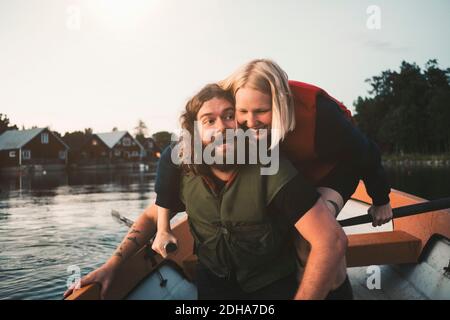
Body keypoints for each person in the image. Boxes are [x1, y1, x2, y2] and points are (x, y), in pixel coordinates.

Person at [64, 84, 348, 300]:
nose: (222, 127)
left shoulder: (270, 167)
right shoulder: (183, 172)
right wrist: (113, 264)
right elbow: (151, 217)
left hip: (271, 286)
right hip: (214, 285)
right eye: (209, 121)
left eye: (228, 116)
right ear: (195, 131)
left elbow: (330, 240)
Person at [152, 59, 392, 298]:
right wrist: (162, 227)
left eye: (261, 111)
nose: (250, 121)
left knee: (311, 239)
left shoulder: (322, 117)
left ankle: (335, 288)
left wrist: (380, 199)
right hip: (291, 169)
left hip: (333, 170)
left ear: (279, 103)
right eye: (242, 112)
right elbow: (173, 155)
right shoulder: (226, 100)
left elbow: (367, 153)